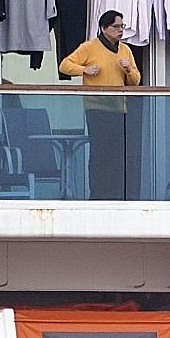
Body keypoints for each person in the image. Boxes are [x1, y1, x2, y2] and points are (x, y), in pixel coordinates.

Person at [58, 10, 142, 200]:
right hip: (96, 109)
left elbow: (135, 81)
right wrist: (84, 69)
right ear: (104, 28)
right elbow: (65, 65)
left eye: (122, 26)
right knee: (99, 154)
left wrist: (128, 69)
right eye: (116, 26)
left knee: (117, 155)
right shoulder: (90, 47)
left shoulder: (125, 50)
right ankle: (98, 194)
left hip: (119, 109)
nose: (120, 30)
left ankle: (117, 194)